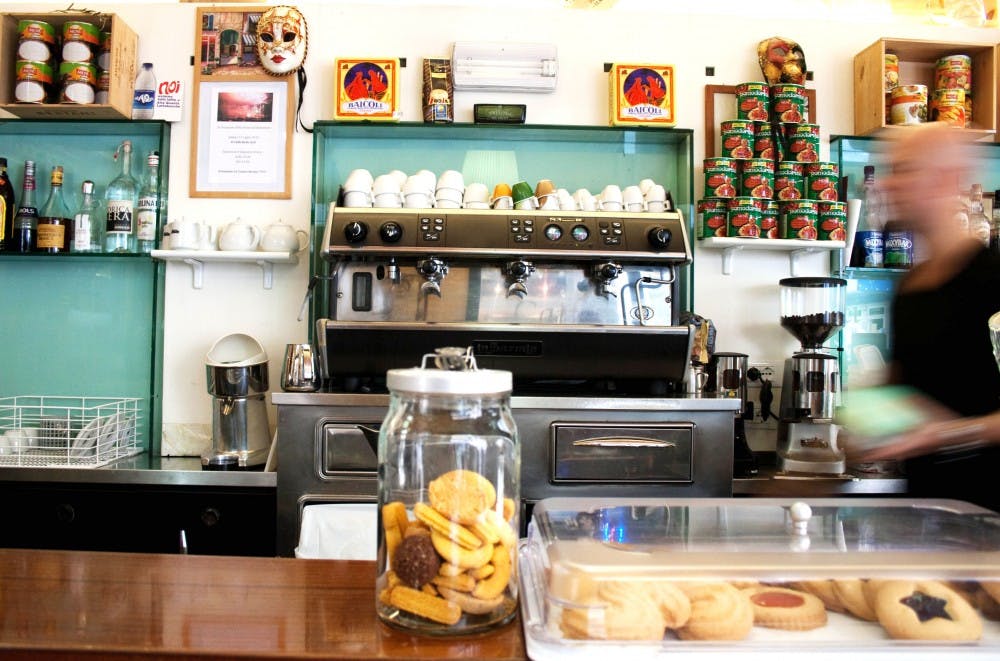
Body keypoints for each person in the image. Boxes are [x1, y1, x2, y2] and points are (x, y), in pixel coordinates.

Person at [855, 123, 1000, 512]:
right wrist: (864, 414)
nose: (887, 184)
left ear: (946, 178)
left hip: (989, 513)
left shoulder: (991, 279)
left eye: (905, 170)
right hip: (929, 513)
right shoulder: (911, 286)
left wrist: (946, 434)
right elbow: (907, 384)